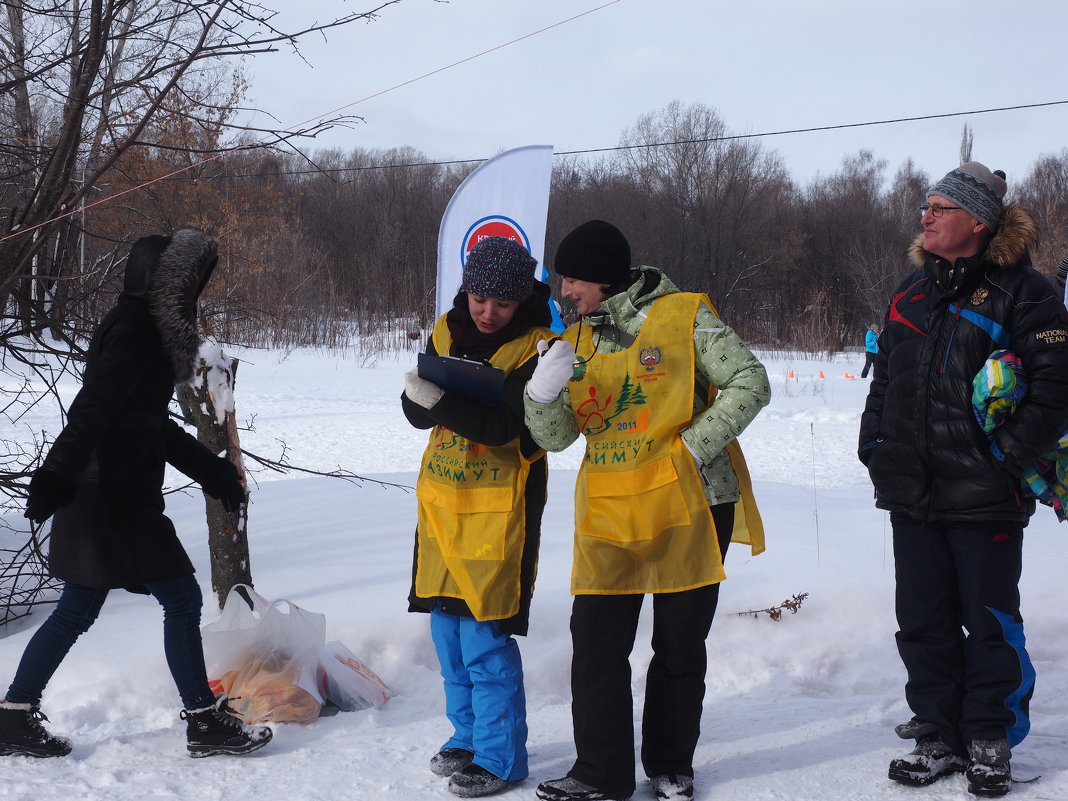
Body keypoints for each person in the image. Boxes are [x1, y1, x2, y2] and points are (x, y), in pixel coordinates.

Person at [0, 230, 273, 759]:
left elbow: (145, 421)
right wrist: (54, 475)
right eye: (188, 283)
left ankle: (13, 716)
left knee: (77, 608)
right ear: (164, 283)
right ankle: (203, 720)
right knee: (182, 599)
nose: (195, 294)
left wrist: (210, 472)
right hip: (115, 497)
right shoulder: (134, 332)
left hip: (106, 490)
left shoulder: (141, 326)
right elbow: (95, 407)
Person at [523, 220, 770, 801]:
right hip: (611, 508)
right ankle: (599, 773)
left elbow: (750, 381)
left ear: (606, 277)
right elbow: (557, 439)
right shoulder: (576, 338)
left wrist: (689, 448)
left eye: (574, 278)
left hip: (693, 501)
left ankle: (670, 764)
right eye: (561, 278)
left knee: (679, 645)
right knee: (597, 644)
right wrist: (542, 394)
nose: (565, 291)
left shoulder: (685, 315)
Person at [858, 162, 1068, 797]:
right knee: (921, 618)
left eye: (941, 207)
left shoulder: (1026, 293)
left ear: (978, 222)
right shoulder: (909, 292)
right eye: (926, 205)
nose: (926, 215)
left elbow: (1057, 388)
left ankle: (987, 736)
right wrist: (874, 444)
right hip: (913, 491)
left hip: (987, 496)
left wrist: (1003, 457)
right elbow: (886, 377)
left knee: (988, 618)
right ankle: (939, 736)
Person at [402, 236, 556, 798]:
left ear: (521, 303)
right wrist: (417, 395)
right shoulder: (445, 329)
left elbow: (505, 427)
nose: (488, 313)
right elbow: (418, 414)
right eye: (480, 300)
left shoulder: (539, 349)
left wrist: (438, 400)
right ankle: (466, 737)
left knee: (484, 639)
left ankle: (501, 756)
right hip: (443, 507)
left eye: (503, 304)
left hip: (500, 514)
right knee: (447, 632)